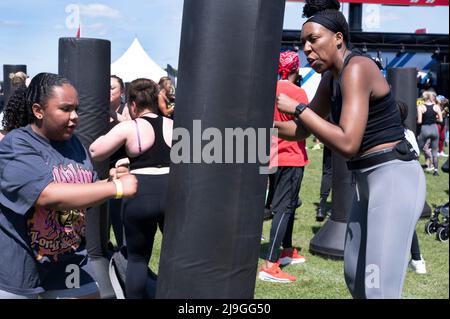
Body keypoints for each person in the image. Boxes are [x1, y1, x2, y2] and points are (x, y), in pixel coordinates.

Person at [275, 0, 425, 298]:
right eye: (303, 42)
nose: (306, 48)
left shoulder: (358, 68)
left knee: (377, 287)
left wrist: (299, 108)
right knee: (356, 276)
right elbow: (302, 129)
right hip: (365, 182)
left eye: (313, 39)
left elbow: (347, 142)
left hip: (393, 178)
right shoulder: (330, 78)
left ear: (338, 38)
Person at [0, 73, 138, 299]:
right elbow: (48, 195)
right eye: (65, 109)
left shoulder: (74, 144)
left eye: (77, 109)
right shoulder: (16, 144)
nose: (74, 116)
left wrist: (110, 180)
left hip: (67, 263)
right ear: (38, 110)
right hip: (20, 267)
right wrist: (117, 189)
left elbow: (86, 189)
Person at [90, 78, 172, 298]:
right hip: (172, 193)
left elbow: (95, 151)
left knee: (137, 258)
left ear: (132, 104)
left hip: (140, 193)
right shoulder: (174, 124)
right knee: (175, 256)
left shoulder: (130, 126)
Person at [259, 51, 309, 283]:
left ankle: (287, 250)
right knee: (284, 208)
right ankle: (270, 264)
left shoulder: (267, 89)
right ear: (295, 70)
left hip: (270, 155)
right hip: (291, 155)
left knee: (286, 205)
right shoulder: (298, 92)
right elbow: (305, 124)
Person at [396, 101, 426, 274]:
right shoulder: (409, 132)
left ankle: (416, 259)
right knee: (406, 221)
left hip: (398, 181)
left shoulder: (394, 133)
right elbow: (416, 154)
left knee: (402, 222)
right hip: (412, 179)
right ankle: (416, 259)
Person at [417, 90, 443, 176]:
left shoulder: (421, 107)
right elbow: (441, 120)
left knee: (418, 150)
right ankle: (436, 171)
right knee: (435, 151)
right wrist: (434, 119)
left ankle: (414, 167)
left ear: (424, 97)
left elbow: (420, 121)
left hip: (425, 129)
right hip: (434, 128)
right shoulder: (436, 106)